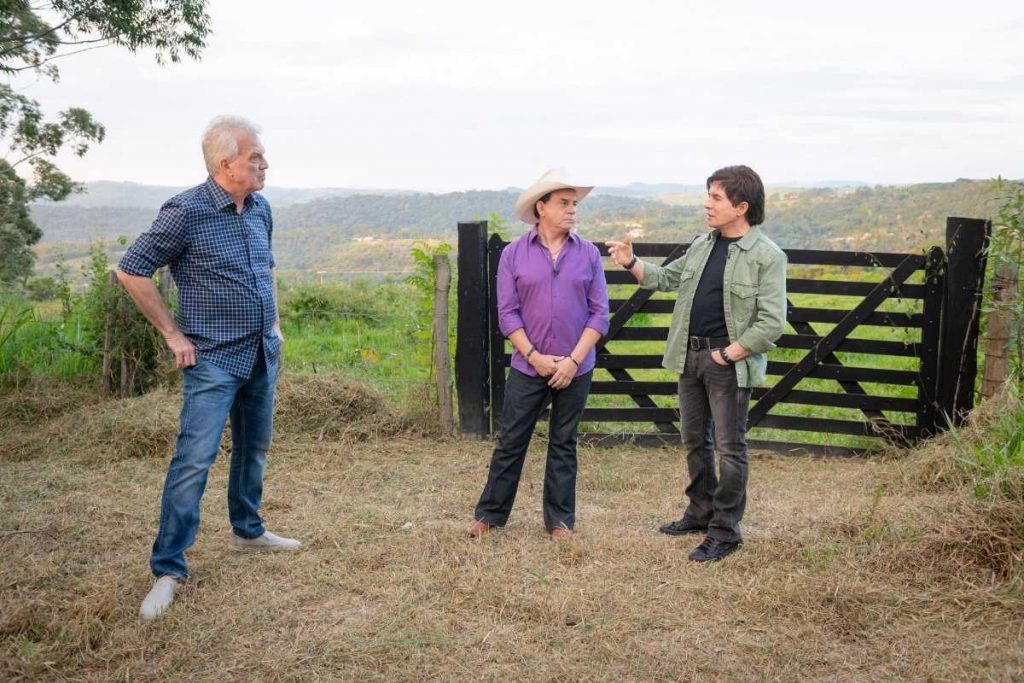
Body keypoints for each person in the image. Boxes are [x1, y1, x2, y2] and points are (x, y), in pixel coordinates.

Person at [117, 115, 300, 622]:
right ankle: (168, 569)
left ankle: (249, 530)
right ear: (225, 164)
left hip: (261, 352)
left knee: (254, 448)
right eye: (255, 157)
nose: (265, 164)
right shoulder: (186, 211)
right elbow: (132, 269)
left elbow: (266, 268)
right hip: (213, 359)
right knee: (194, 461)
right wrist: (172, 333)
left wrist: (275, 325)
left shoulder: (260, 208)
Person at [606, 165, 786, 562]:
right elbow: (664, 279)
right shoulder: (703, 245)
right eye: (709, 196)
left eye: (716, 197)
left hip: (728, 362)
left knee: (730, 448)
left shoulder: (767, 255)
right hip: (689, 357)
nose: (707, 204)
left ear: (741, 207)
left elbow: (772, 322)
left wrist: (730, 353)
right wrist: (630, 261)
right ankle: (700, 511)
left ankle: (725, 531)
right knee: (694, 440)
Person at [467, 169, 609, 540]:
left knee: (564, 443)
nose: (572, 209)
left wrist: (573, 361)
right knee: (511, 441)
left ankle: (559, 522)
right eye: (563, 203)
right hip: (528, 366)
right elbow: (507, 314)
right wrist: (535, 357)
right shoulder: (513, 254)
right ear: (540, 207)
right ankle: (490, 515)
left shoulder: (589, 254)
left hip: (576, 368)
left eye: (574, 203)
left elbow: (599, 314)